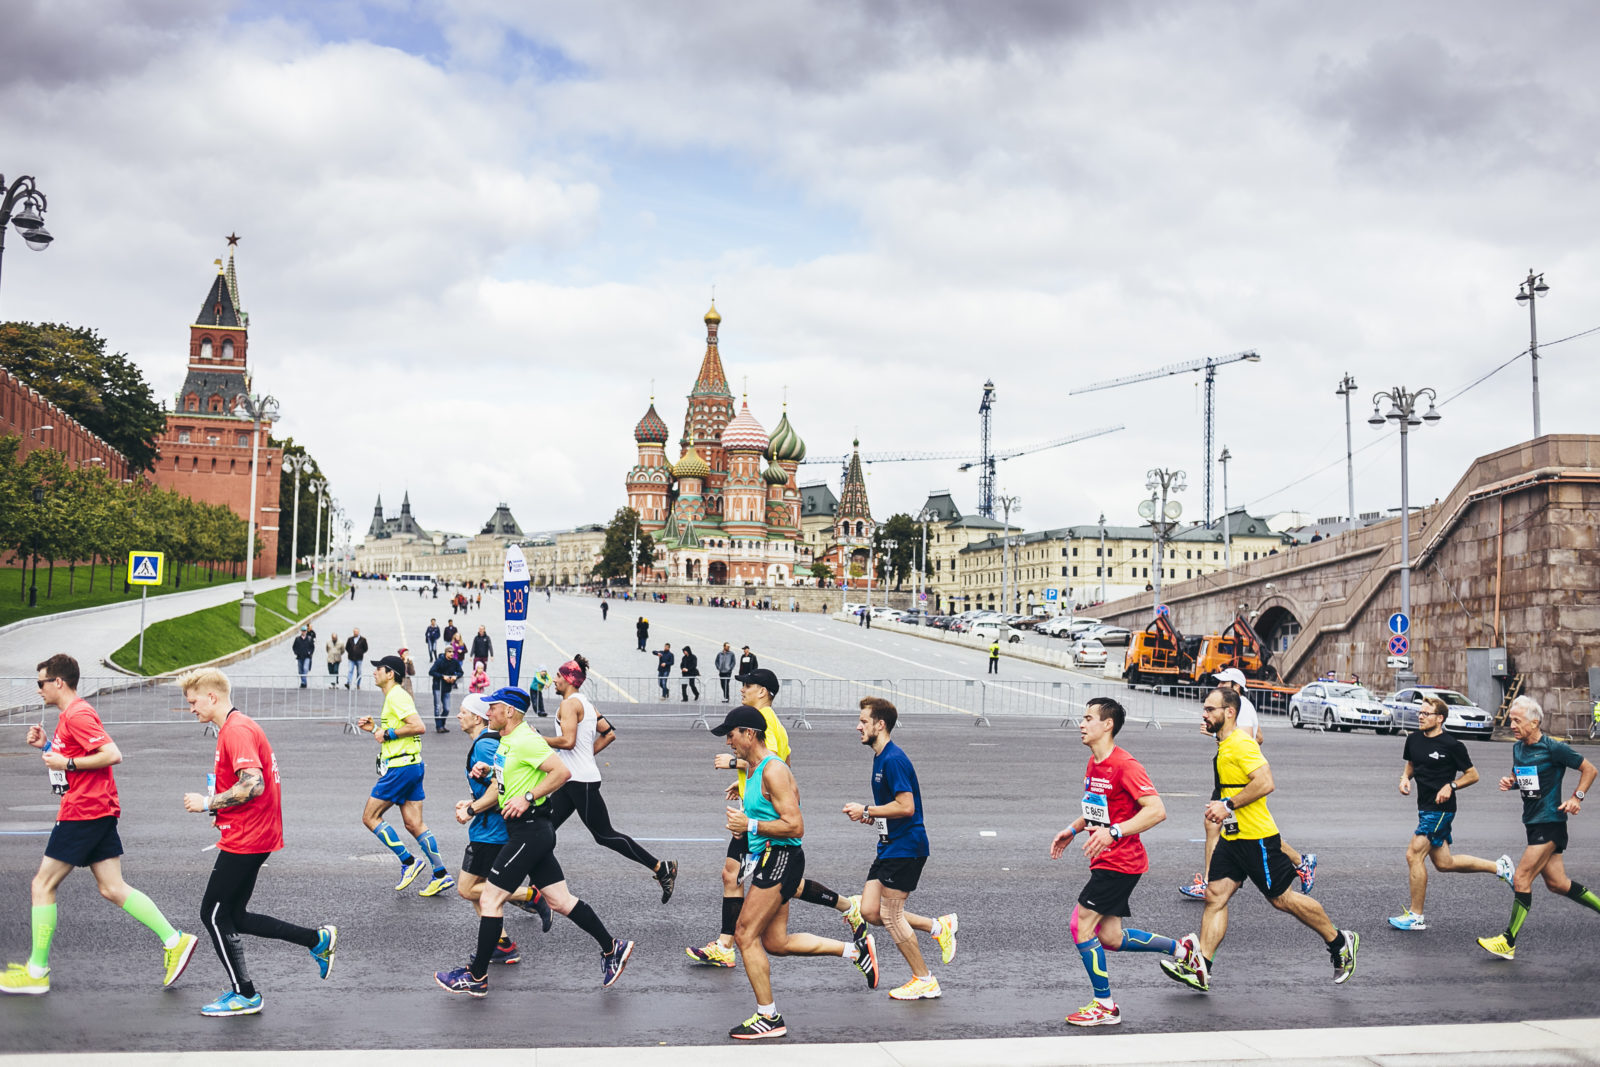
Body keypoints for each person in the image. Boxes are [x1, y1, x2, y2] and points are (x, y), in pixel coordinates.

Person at [1, 654, 199, 996]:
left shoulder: (78, 714)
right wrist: (47, 746)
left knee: (41, 886)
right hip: (98, 810)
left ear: (58, 682)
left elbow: (111, 753)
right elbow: (69, 761)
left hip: (85, 812)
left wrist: (67, 761)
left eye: (41, 683)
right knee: (112, 888)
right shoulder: (69, 717)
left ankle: (36, 972)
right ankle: (174, 939)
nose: (38, 690)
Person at [434, 687, 634, 997]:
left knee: (489, 899)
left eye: (494, 707)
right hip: (526, 833)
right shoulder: (507, 742)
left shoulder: (527, 740)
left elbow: (561, 771)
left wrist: (528, 797)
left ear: (509, 712)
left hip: (530, 832)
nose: (489, 713)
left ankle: (476, 977)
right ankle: (612, 947)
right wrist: (486, 772)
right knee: (561, 901)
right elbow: (505, 779)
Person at [1159, 688, 1357, 992]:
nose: (1204, 714)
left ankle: (1340, 942)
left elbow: (1266, 782)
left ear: (1229, 712)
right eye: (1205, 709)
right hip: (1233, 837)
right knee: (1215, 895)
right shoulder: (1225, 742)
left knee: (1282, 899)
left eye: (1211, 709)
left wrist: (1226, 806)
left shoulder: (1241, 744)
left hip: (1257, 838)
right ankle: (1202, 967)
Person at [175, 668, 336, 1017]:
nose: (191, 709)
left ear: (212, 697)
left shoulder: (237, 731)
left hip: (248, 837)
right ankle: (316, 940)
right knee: (235, 916)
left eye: (193, 702)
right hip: (252, 833)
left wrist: (207, 803)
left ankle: (245, 994)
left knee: (213, 915)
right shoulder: (235, 727)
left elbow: (253, 784)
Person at [713, 705, 878, 1040]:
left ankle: (769, 1017)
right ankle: (856, 950)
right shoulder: (757, 769)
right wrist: (744, 831)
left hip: (782, 857)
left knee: (744, 934)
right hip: (771, 856)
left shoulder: (773, 770)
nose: (728, 741)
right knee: (775, 942)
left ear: (749, 733)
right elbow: (768, 818)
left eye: (731, 734)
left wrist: (751, 824)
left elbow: (795, 826)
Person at [689, 669, 858, 966]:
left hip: (766, 828)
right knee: (776, 930)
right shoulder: (772, 722)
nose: (743, 689)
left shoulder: (764, 721)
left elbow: (773, 762)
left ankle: (728, 946)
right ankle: (848, 914)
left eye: (749, 685)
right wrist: (745, 780)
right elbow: (782, 764)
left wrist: (735, 765)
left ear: (764, 691)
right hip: (759, 818)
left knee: (749, 914)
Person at [1049, 697, 1201, 1026]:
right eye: (1082, 718)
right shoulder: (1095, 764)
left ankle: (1105, 1006)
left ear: (1108, 725)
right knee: (1111, 938)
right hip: (1106, 858)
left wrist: (1114, 833)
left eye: (1088, 718)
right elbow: (1097, 809)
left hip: (1120, 861)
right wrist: (1073, 829)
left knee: (1080, 925)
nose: (1081, 723)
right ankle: (1182, 950)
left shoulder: (1125, 765)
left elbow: (1157, 810)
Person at [840, 698, 958, 1002]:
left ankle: (924, 979)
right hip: (889, 846)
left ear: (880, 725)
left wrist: (867, 807)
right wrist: (872, 816)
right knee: (868, 911)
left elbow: (906, 807)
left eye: (864, 721)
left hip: (907, 848)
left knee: (891, 917)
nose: (858, 726)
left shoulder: (893, 759)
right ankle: (937, 926)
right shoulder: (880, 757)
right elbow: (893, 807)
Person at [544, 656, 678, 901]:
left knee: (604, 834)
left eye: (558, 676)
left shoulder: (569, 705)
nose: (554, 680)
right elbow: (609, 734)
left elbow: (567, 741)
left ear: (568, 679)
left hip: (580, 781)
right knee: (545, 830)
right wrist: (584, 756)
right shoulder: (585, 703)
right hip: (575, 779)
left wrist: (538, 740)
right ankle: (536, 893)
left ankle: (661, 868)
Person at [1476, 696, 1600, 960]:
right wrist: (1512, 782)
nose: (1511, 724)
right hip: (1532, 821)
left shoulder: (1554, 748)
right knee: (1557, 884)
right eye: (1511, 719)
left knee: (1521, 878)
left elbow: (1589, 769)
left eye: (1517, 720)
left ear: (1535, 722)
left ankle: (1507, 941)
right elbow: (1524, 777)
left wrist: (1576, 798)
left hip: (1550, 822)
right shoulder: (1518, 748)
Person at [1181, 668, 1316, 900]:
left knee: (1281, 895)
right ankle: (1300, 862)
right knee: (1226, 826)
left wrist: (1215, 736)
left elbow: (1241, 739)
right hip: (1232, 773)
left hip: (1237, 778)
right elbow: (1259, 736)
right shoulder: (1246, 707)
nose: (1219, 687)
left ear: (1236, 687)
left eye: (1223, 683)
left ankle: (1208, 882)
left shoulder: (1236, 710)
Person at [1388, 694, 1513, 932]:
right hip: (1424, 807)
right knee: (1445, 863)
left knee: (1413, 855)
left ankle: (1416, 916)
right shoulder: (1413, 740)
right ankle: (1499, 867)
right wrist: (1405, 778)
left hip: (1441, 810)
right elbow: (1411, 765)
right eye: (1420, 713)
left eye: (1426, 714)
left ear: (1440, 718)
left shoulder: (1452, 745)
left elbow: (1473, 775)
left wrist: (1451, 785)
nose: (1421, 716)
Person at [452, 695, 551, 965]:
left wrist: (472, 810)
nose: (458, 716)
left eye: (463, 712)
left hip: (491, 830)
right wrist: (472, 801)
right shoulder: (485, 742)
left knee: (468, 888)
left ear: (477, 717)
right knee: (479, 889)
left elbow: (499, 789)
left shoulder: (484, 745)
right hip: (488, 827)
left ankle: (529, 895)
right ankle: (502, 943)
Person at [356, 655, 454, 899]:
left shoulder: (396, 696)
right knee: (414, 824)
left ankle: (408, 861)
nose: (374, 672)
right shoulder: (394, 697)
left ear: (391, 673)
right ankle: (441, 875)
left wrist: (387, 733)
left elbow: (418, 726)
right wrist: (376, 730)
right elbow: (400, 734)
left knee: (370, 817)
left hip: (400, 768)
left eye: (378, 669)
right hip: (412, 765)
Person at [428, 646, 463, 733]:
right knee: (438, 707)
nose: (452, 653)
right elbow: (431, 671)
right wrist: (442, 676)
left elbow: (460, 672)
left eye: (453, 652)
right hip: (438, 686)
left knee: (447, 708)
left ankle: (442, 724)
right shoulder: (439, 661)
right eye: (450, 652)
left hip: (447, 688)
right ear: (446, 653)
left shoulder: (455, 662)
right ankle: (438, 726)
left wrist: (456, 676)